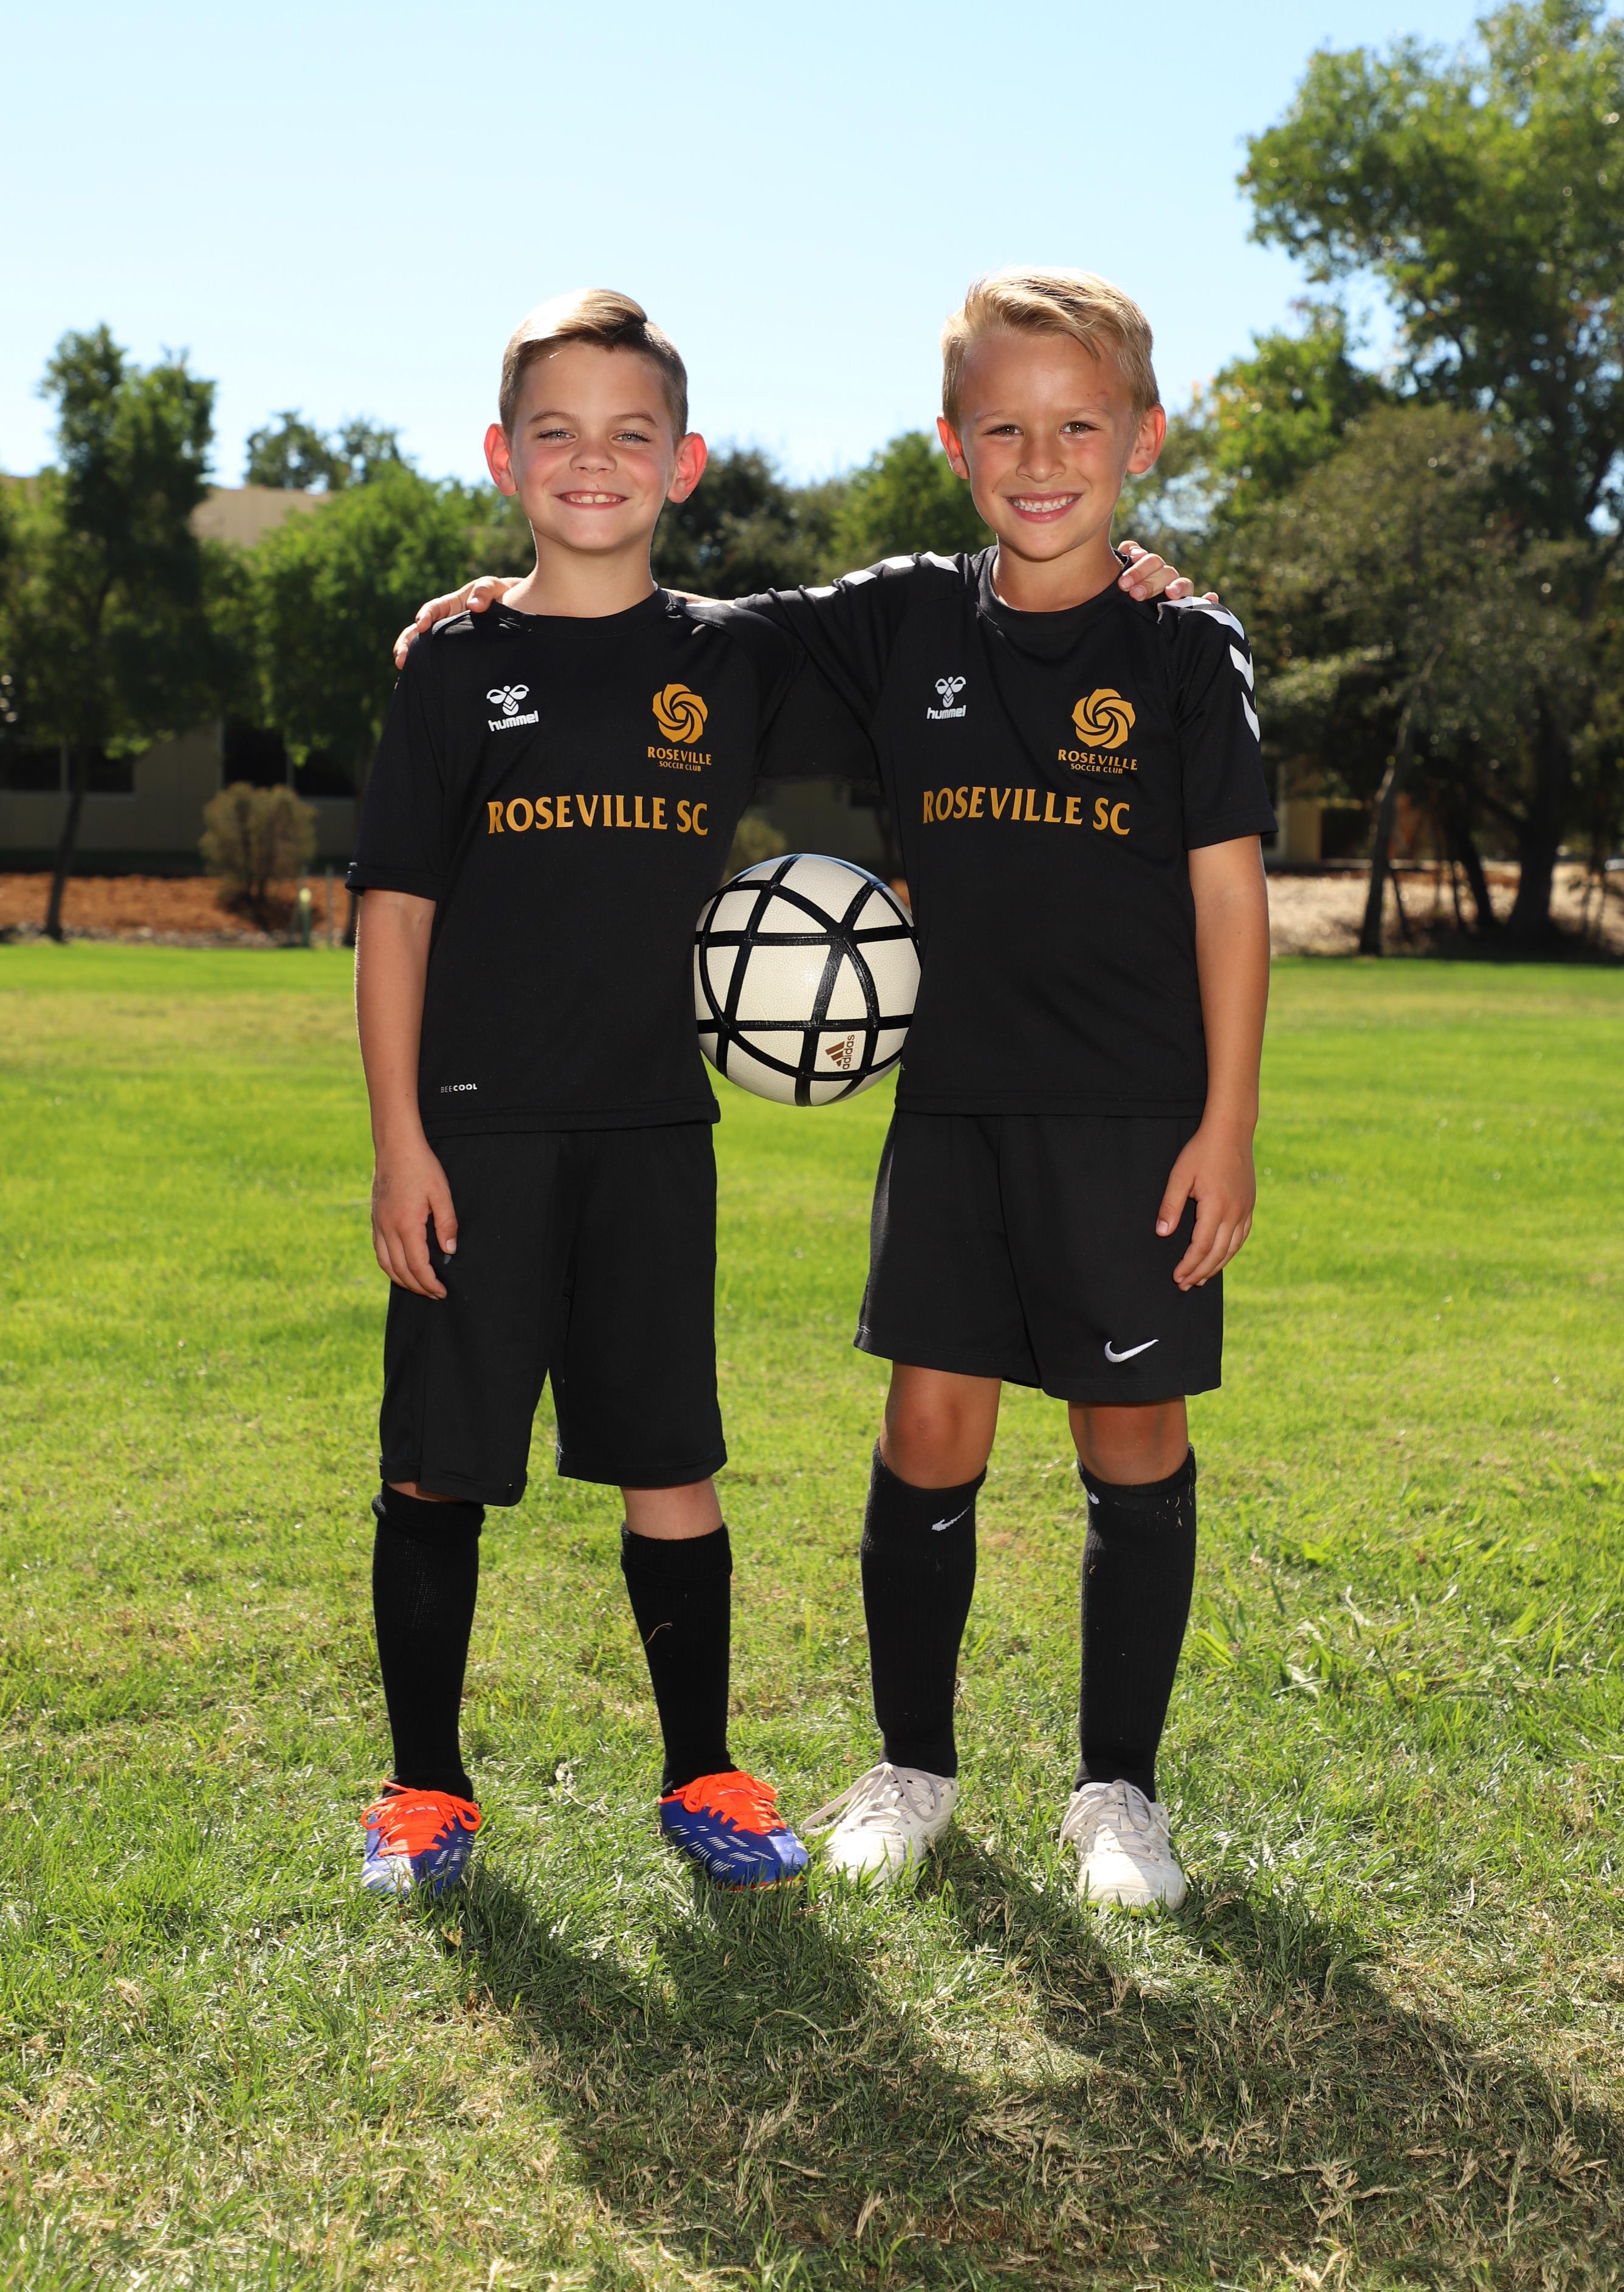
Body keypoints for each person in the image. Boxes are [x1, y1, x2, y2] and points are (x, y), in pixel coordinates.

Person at [399, 267, 1270, 1910]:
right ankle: (913, 1764)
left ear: (1141, 440)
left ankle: (1119, 1790)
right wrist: (507, 598)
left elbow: (1230, 896)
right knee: (928, 1428)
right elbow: (671, 625)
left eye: (1079, 428)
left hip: (1136, 1113)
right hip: (951, 1104)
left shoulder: (1180, 643)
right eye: (1004, 428)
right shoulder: (904, 619)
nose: (1041, 460)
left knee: (1132, 1432)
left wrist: (1227, 1126)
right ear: (953, 443)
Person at [351, 288, 853, 1896]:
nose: (594, 460)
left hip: (652, 1128)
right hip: (476, 1131)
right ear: (504, 457)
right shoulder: (453, 665)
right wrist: (400, 1144)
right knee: (438, 1463)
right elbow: (396, 917)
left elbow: (948, 626)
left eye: (631, 434)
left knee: (669, 1460)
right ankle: (425, 1790)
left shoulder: (735, 655)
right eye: (556, 433)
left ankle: (704, 1774)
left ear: (684, 464)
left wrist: (1133, 572)